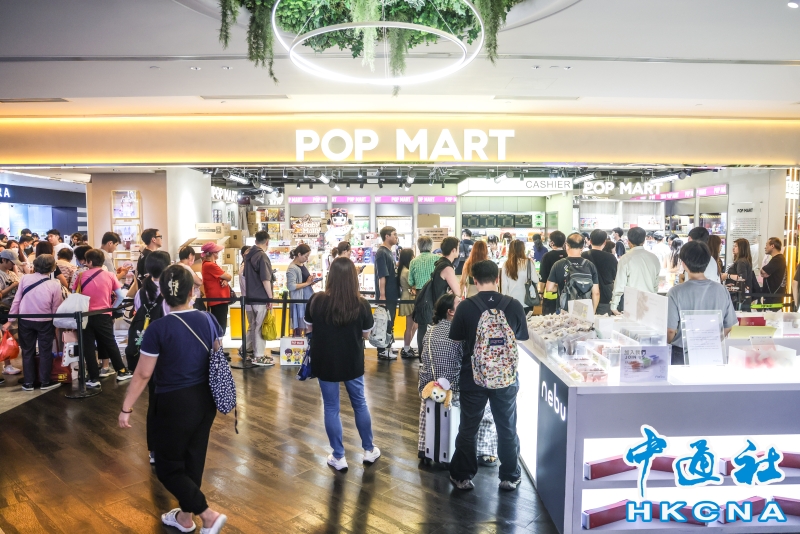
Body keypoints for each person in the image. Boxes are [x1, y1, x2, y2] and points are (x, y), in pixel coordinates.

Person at [118, 265, 228, 534]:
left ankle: (207, 515)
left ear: (164, 294)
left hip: (173, 402)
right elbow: (216, 355)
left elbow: (143, 374)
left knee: (167, 467)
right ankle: (185, 518)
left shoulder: (158, 328)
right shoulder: (208, 319)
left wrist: (126, 407)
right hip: (205, 399)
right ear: (192, 291)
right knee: (193, 459)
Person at [449, 260, 528, 491]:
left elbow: (456, 339)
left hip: (473, 376)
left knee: (469, 427)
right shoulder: (513, 305)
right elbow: (521, 337)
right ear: (497, 278)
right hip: (505, 378)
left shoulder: (465, 307)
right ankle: (509, 476)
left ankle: (463, 476)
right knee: (507, 426)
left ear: (474, 280)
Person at [305, 257, 380, 471]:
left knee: (331, 407)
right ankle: (368, 449)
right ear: (353, 278)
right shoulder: (361, 303)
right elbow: (366, 335)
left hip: (324, 360)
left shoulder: (316, 300)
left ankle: (338, 456)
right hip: (352, 360)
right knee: (360, 403)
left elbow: (309, 329)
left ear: (331, 276)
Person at [418, 293, 499, 466]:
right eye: (459, 303)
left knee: (426, 406)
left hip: (431, 388)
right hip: (454, 392)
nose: (463, 303)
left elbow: (424, 359)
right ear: (451, 312)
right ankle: (484, 451)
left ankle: (424, 447)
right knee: (486, 404)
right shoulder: (460, 332)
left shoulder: (430, 332)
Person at [667, 241, 737, 365]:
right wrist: (711, 341)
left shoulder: (675, 292)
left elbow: (670, 331)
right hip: (712, 352)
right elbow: (728, 326)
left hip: (681, 353)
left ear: (684, 264)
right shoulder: (721, 290)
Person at [72, 249, 132, 386]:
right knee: (110, 343)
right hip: (104, 314)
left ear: (89, 262)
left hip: (85, 315)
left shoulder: (81, 276)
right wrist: (111, 308)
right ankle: (121, 371)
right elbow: (120, 296)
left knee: (88, 346)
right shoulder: (110, 275)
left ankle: (93, 378)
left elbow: (74, 294)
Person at [5, 255, 65, 391]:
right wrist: (56, 323)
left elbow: (17, 300)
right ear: (52, 268)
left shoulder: (25, 278)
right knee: (45, 351)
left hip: (25, 320)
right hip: (45, 321)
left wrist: (10, 320)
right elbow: (56, 307)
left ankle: (28, 383)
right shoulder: (55, 284)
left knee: (27, 351)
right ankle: (45, 381)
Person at [415, 236, 462, 355]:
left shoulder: (440, 263)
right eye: (458, 248)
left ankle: (424, 357)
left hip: (434, 304)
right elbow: (458, 292)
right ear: (453, 250)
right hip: (440, 308)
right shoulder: (447, 268)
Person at [610, 227, 661, 314]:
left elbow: (620, 284)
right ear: (644, 241)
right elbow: (656, 284)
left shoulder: (625, 258)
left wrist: (614, 306)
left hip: (631, 303)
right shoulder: (654, 258)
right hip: (650, 302)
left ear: (629, 241)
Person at [242, 231, 274, 366]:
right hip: (261, 297)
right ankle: (259, 355)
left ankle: (255, 353)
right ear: (267, 241)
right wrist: (270, 298)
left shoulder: (248, 256)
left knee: (255, 325)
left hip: (251, 297)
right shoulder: (262, 256)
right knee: (260, 326)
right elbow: (266, 279)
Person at [546, 233, 600, 312]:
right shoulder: (590, 265)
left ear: (567, 245)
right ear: (582, 247)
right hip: (584, 310)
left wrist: (563, 288)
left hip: (564, 310)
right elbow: (596, 293)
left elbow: (549, 288)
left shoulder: (558, 264)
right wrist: (593, 311)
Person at [201, 242, 232, 355]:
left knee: (219, 325)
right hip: (218, 300)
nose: (218, 253)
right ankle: (218, 352)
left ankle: (219, 350)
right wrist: (226, 278)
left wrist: (224, 280)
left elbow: (224, 277)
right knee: (220, 326)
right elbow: (228, 276)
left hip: (217, 300)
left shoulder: (208, 264)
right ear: (213, 253)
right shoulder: (210, 265)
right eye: (217, 251)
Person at [374, 226, 399, 360]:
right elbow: (382, 276)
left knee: (391, 320)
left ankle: (388, 344)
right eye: (394, 234)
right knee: (385, 321)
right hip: (386, 295)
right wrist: (382, 295)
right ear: (387, 236)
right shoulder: (381, 253)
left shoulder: (389, 252)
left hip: (392, 293)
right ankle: (382, 349)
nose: (396, 237)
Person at [582, 230, 618, 315]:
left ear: (590, 241)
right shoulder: (611, 258)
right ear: (604, 242)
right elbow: (615, 277)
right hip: (605, 297)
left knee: (585, 321)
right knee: (603, 321)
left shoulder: (583, 256)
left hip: (586, 295)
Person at [0, 250, 23, 376]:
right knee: (8, 338)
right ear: (4, 260)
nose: (13, 265)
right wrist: (13, 286)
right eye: (11, 262)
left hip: (15, 309)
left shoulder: (12, 273)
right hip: (4, 310)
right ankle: (7, 365)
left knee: (15, 337)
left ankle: (8, 365)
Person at [500, 239, 538, 314]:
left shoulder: (506, 264)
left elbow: (504, 285)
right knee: (527, 320)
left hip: (511, 302)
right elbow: (535, 280)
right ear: (523, 249)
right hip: (527, 301)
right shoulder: (529, 263)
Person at [286, 243, 316, 337]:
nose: (307, 259)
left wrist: (310, 282)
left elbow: (304, 280)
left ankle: (307, 342)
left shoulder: (302, 265)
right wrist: (307, 283)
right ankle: (300, 343)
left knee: (307, 324)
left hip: (306, 299)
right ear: (299, 254)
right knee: (299, 327)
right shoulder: (292, 268)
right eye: (306, 256)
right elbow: (291, 286)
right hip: (299, 301)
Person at [538, 231, 567, 315]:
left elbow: (543, 277)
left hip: (550, 294)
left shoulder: (547, 256)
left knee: (550, 319)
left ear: (552, 242)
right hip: (566, 294)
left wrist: (540, 292)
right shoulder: (568, 255)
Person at [397, 248, 417, 359]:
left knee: (413, 325)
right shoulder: (407, 271)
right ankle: (406, 348)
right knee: (410, 326)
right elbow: (413, 284)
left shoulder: (402, 270)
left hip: (406, 296)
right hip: (409, 297)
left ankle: (407, 346)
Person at [725, 238, 756, 309]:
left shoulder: (741, 261)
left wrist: (727, 276)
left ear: (741, 248)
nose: (733, 248)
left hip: (739, 296)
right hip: (742, 295)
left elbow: (742, 277)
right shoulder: (744, 260)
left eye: (736, 246)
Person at [761, 237, 786, 308]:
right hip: (771, 296)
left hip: (774, 297)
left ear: (772, 246)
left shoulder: (778, 259)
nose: (765, 247)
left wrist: (764, 271)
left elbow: (764, 271)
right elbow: (764, 273)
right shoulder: (775, 259)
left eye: (767, 245)